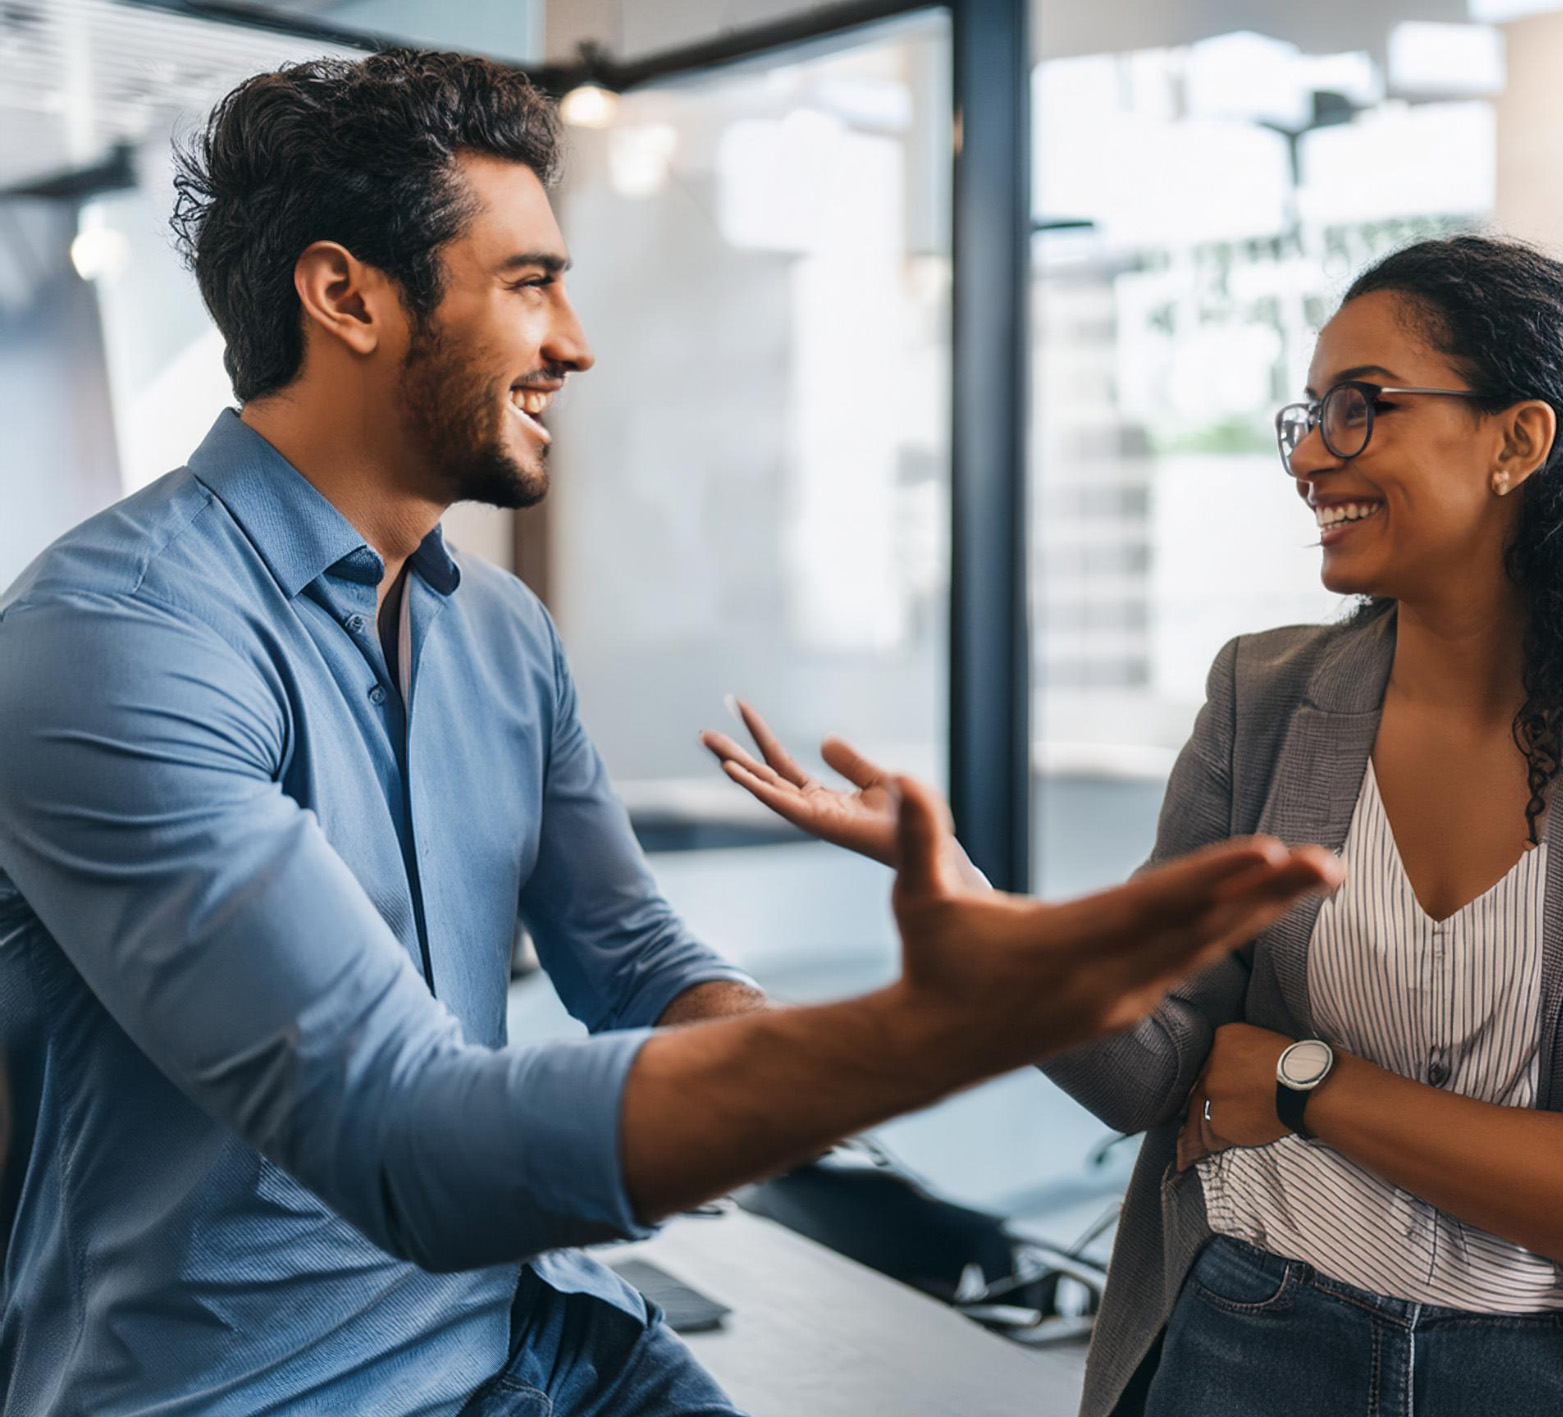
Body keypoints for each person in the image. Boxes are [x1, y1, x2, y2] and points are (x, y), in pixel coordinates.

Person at [0, 51, 1346, 1417]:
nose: (574, 341)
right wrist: (925, 1032)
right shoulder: (116, 639)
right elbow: (398, 1136)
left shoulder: (500, 636)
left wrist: (796, 1035)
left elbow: (633, 961)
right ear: (347, 295)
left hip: (520, 1345)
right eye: (529, 283)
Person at [709, 235, 1563, 1417]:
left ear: (1518, 440)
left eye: (1361, 408)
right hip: (1253, 1338)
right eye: (1307, 415)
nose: (1312, 455)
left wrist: (1308, 1083)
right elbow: (1159, 1064)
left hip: (1559, 1375)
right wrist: (968, 902)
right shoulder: (1263, 699)